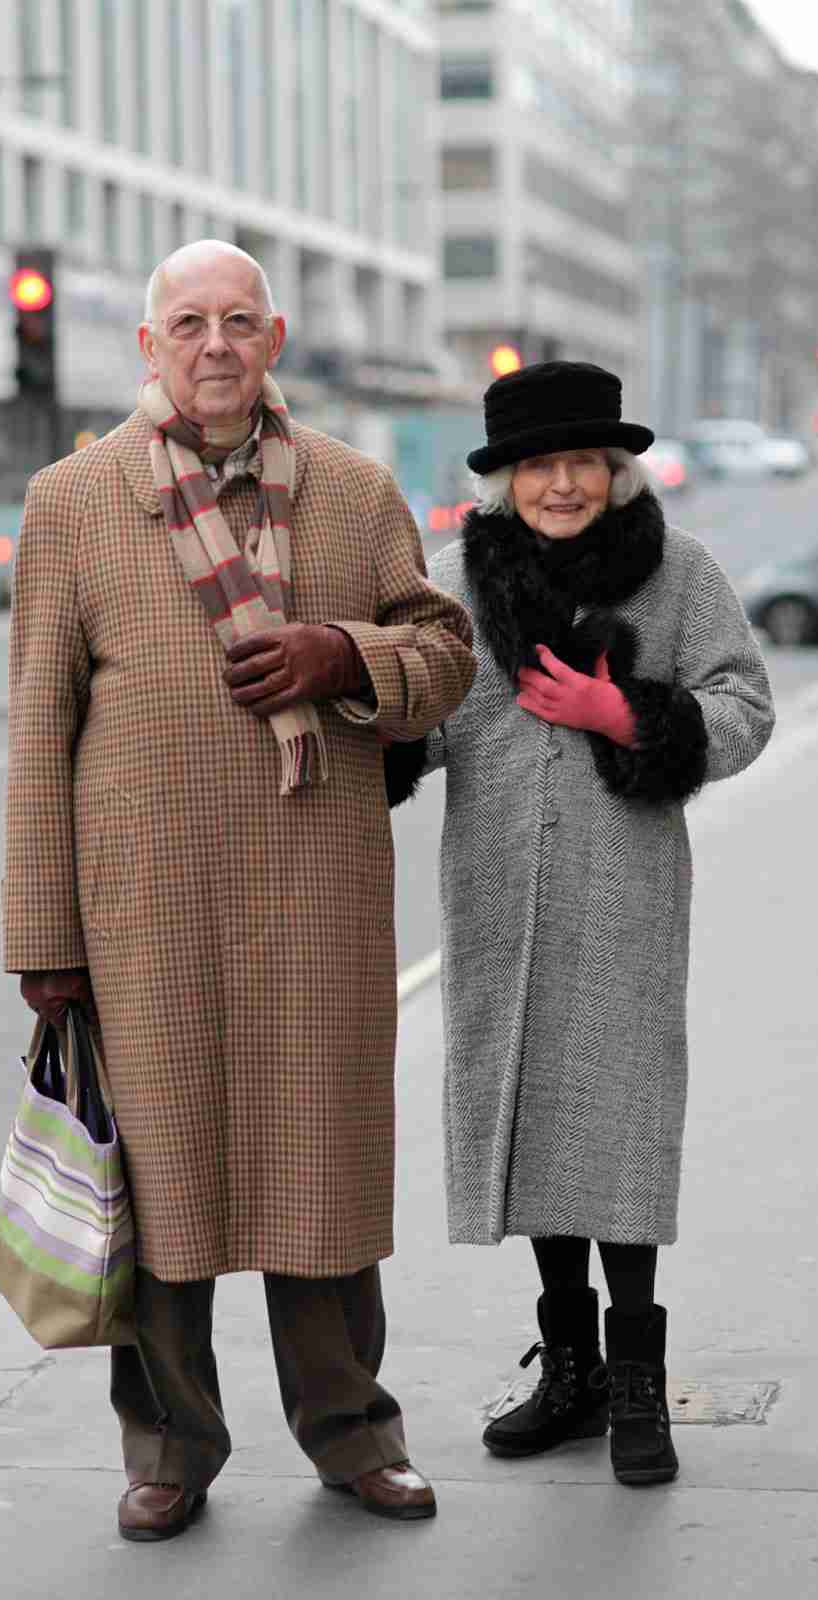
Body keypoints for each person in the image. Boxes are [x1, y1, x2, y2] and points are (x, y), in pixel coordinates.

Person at [3, 240, 476, 1541]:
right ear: (148, 350)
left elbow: (446, 655)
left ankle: (351, 1433)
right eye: (187, 323)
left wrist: (344, 652)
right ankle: (172, 1448)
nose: (214, 345)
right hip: (139, 914)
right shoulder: (72, 499)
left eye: (238, 322)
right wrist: (43, 936)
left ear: (274, 343)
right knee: (156, 1192)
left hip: (315, 902)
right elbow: (39, 720)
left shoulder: (355, 490)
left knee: (318, 1179)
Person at [426, 361, 774, 1487]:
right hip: (493, 896)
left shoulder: (676, 572)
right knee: (533, 1121)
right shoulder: (453, 587)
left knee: (616, 1124)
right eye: (540, 465)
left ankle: (633, 1381)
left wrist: (624, 710)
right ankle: (568, 1370)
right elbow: (414, 714)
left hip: (623, 892)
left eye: (582, 462)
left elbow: (745, 705)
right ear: (504, 482)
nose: (562, 483)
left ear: (616, 472)